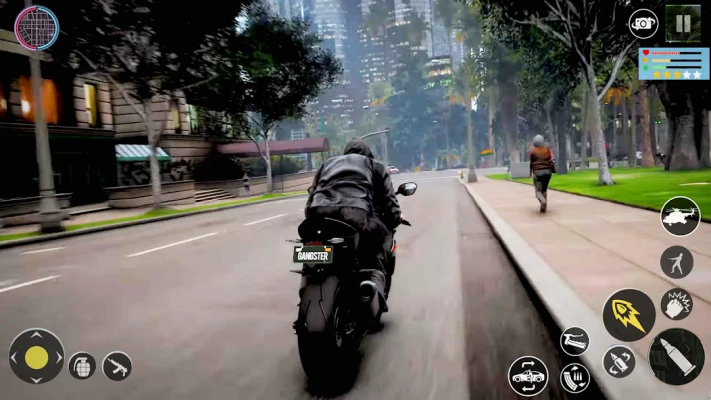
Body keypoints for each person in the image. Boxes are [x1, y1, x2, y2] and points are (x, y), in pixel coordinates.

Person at [305, 139, 402, 309]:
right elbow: (389, 203)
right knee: (383, 238)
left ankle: (307, 277)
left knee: (312, 243)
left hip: (318, 212)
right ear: (368, 154)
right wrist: (395, 218)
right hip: (355, 214)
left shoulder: (326, 165)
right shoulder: (375, 166)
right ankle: (373, 288)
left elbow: (311, 197)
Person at [529, 134, 556, 213]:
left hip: (538, 173)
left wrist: (530, 172)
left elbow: (531, 163)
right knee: (544, 189)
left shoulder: (533, 151)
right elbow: (551, 160)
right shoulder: (547, 150)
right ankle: (543, 206)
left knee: (538, 191)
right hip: (548, 173)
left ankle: (543, 202)